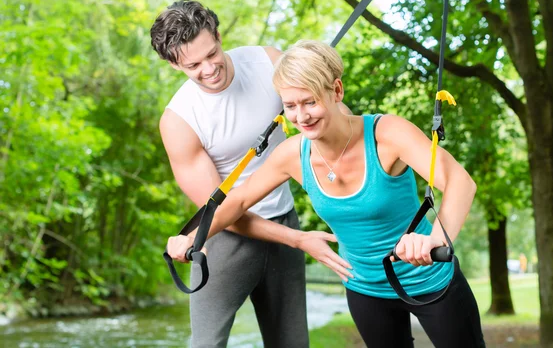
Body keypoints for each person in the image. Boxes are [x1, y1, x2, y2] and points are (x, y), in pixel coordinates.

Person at [168, 39, 486, 347]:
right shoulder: (293, 155)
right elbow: (237, 199)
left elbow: (460, 182)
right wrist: (193, 236)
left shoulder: (387, 135)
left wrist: (437, 239)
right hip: (365, 291)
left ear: (336, 91)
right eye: (290, 105)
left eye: (310, 102)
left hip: (429, 281)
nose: (301, 116)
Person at [151, 0, 352, 348]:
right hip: (228, 236)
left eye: (212, 53)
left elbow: (335, 119)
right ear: (172, 63)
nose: (210, 69)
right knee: (207, 344)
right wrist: (298, 241)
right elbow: (223, 211)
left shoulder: (267, 62)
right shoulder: (179, 121)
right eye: (193, 65)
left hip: (286, 220)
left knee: (292, 343)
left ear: (217, 34)